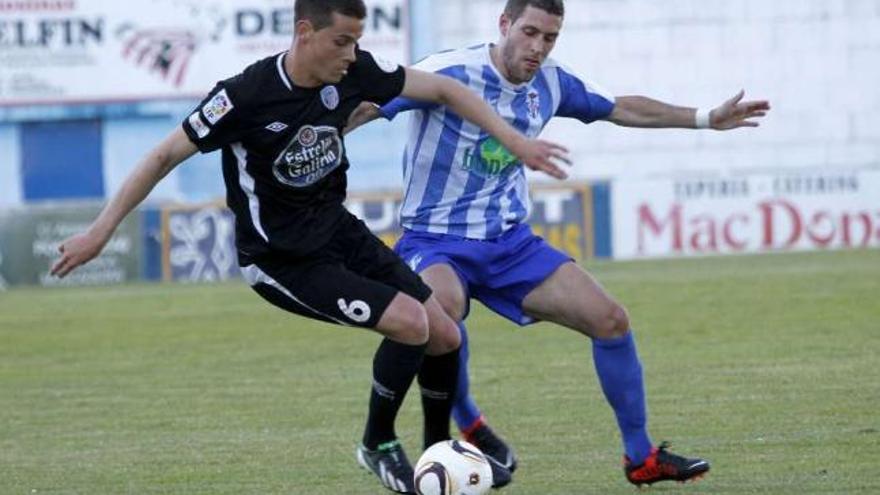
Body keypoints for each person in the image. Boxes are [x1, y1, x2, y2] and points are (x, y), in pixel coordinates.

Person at [50, 1, 570, 493]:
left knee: (445, 333)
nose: (352, 55)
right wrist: (100, 232)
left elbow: (444, 90)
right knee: (411, 323)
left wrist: (517, 142)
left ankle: (438, 451)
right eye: (342, 41)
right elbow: (164, 154)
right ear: (305, 33)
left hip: (338, 231)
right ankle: (378, 441)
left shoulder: (353, 71)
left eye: (357, 42)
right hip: (281, 260)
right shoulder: (245, 96)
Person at [344, 0, 771, 487]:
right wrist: (313, 130)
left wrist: (704, 117)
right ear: (504, 24)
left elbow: (621, 106)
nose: (537, 47)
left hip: (510, 244)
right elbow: (370, 106)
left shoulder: (551, 82)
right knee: (442, 311)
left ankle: (641, 457)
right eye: (529, 33)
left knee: (610, 320)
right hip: (435, 240)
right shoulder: (447, 71)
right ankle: (469, 422)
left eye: (549, 38)